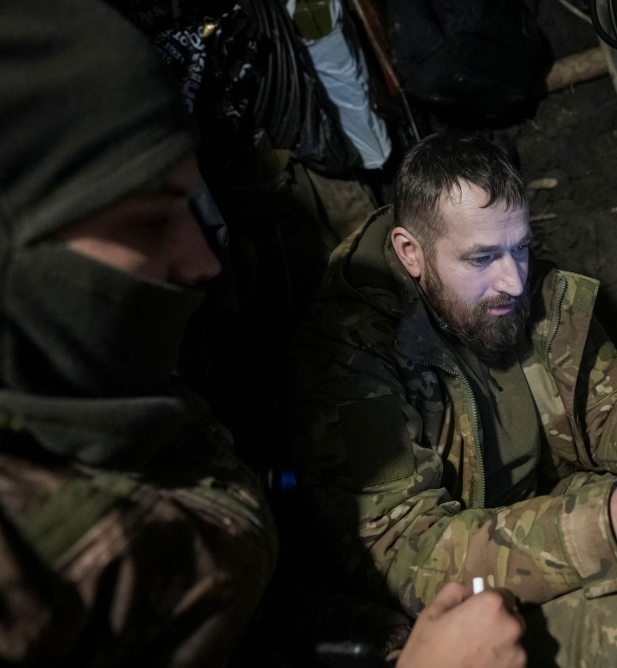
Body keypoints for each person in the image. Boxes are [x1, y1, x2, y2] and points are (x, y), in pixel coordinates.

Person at [0, 3, 526, 666]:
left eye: (191, 206)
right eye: (147, 223)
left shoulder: (116, 393)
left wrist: (389, 648)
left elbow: (237, 618)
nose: (202, 261)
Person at [287, 131, 617, 666]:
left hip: (529, 518)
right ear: (411, 252)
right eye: (480, 259)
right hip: (434, 604)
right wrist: (606, 531)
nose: (513, 281)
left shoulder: (532, 298)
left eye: (521, 248)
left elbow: (609, 411)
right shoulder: (353, 359)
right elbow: (406, 551)